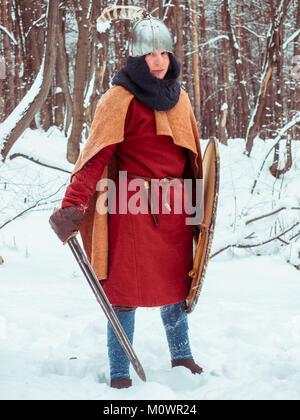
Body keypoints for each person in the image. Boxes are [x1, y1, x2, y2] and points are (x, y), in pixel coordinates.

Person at [50, 12, 203, 389]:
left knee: (175, 287)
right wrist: (73, 204)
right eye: (151, 54)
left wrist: (198, 212)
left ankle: (181, 355)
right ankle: (120, 372)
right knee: (123, 290)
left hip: (174, 210)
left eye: (164, 54)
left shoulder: (180, 97)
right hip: (130, 208)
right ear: (136, 57)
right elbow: (96, 155)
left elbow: (193, 159)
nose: (159, 61)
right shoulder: (119, 98)